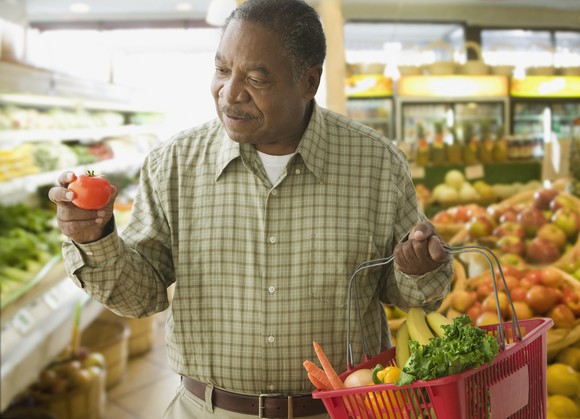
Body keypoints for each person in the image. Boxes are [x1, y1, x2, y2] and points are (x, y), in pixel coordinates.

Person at [48, 0, 453, 417]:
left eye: (256, 78)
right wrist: (94, 238)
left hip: (343, 409)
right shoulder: (174, 163)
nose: (229, 92)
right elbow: (141, 296)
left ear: (308, 81)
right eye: (222, 70)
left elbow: (407, 292)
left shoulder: (376, 162)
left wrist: (417, 268)